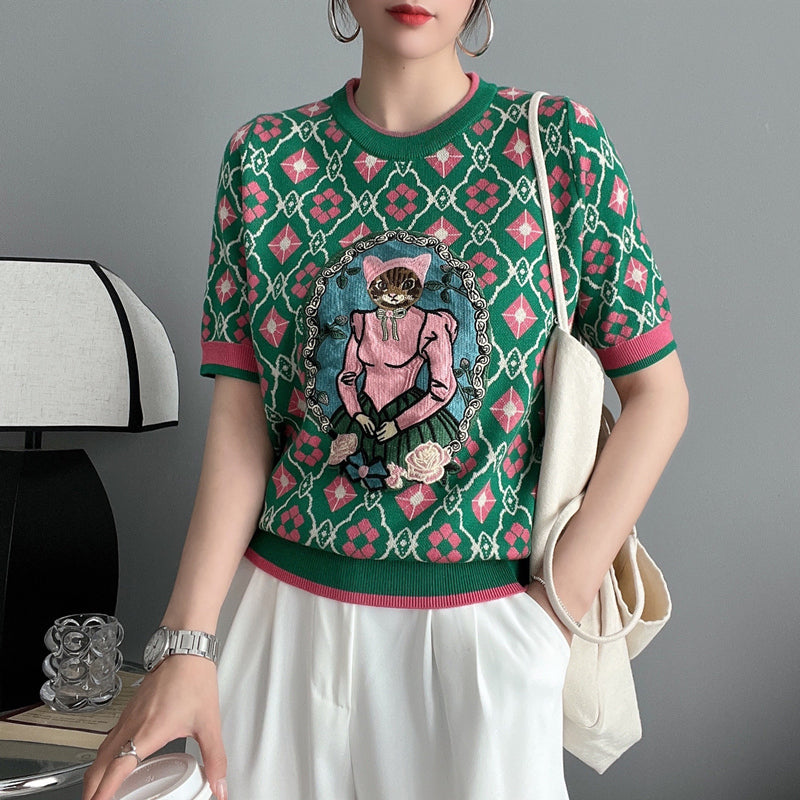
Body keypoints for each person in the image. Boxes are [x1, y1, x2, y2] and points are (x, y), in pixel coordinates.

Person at [82, 2, 689, 799]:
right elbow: (242, 424)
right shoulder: (262, 159)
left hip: (484, 630)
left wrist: (551, 615)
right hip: (280, 624)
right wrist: (186, 644)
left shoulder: (558, 145)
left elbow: (658, 395)